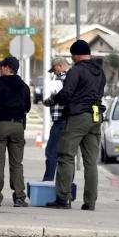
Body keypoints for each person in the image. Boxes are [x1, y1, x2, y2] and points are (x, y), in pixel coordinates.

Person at [45, 39, 106, 210]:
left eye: (72, 56)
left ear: (77, 55)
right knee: (91, 161)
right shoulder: (100, 71)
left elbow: (67, 93)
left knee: (65, 156)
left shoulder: (76, 70)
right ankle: (90, 202)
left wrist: (55, 97)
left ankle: (63, 199)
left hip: (79, 116)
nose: (72, 59)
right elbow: (100, 92)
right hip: (96, 116)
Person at [0, 56, 31, 207]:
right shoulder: (24, 86)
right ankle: (19, 197)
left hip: (0, 125)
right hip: (17, 126)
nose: (0, 68)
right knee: (17, 164)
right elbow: (27, 108)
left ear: (7, 68)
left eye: (1, 66)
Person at [41, 56, 70, 183]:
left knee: (51, 152)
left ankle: (48, 180)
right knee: (67, 155)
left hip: (60, 120)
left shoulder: (62, 78)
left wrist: (48, 101)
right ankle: (66, 184)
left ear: (59, 66)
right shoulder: (74, 77)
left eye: (54, 70)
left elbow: (59, 97)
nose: (54, 73)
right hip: (70, 120)